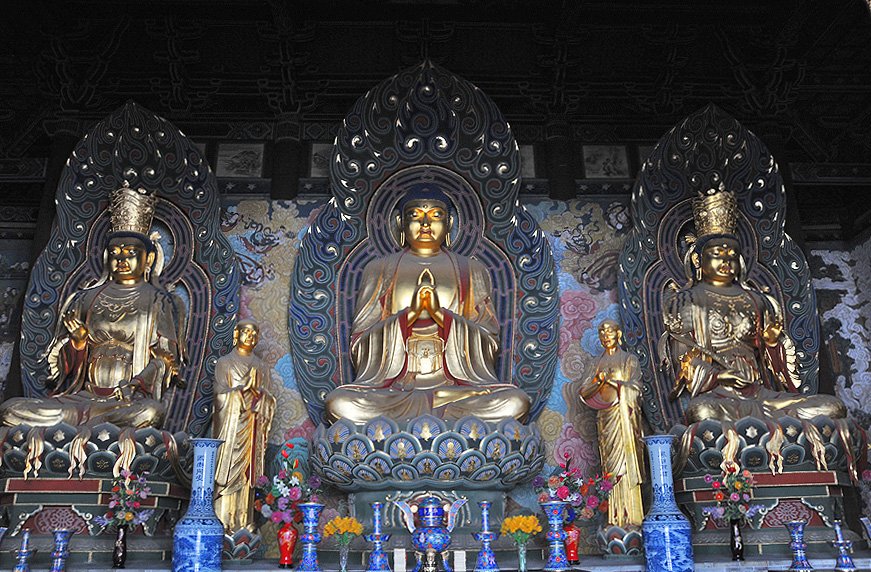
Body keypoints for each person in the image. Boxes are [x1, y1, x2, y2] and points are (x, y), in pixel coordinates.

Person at [324, 186, 530, 424]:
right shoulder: (379, 269)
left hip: (456, 389)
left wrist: (439, 316)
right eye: (415, 215)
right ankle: (440, 420)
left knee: (515, 402)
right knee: (339, 403)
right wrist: (410, 316)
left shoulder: (472, 270)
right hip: (396, 391)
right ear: (400, 223)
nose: (425, 224)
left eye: (435, 215)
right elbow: (360, 342)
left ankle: (422, 418)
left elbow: (490, 340)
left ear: (449, 223)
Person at [0, 184, 186, 429]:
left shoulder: (159, 301)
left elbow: (166, 359)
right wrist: (78, 342)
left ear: (148, 258)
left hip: (127, 401)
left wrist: (136, 384)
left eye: (131, 252)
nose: (121, 259)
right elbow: (59, 369)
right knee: (10, 410)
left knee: (150, 413)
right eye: (115, 252)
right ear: (107, 257)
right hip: (82, 397)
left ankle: (85, 427)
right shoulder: (85, 299)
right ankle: (88, 425)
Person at [660, 187, 845, 424]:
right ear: (698, 259)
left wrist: (772, 344)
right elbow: (685, 360)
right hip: (720, 396)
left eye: (731, 255)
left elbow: (778, 370)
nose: (726, 261)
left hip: (762, 394)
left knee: (831, 407)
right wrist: (719, 377)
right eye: (717, 254)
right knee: (702, 412)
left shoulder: (758, 301)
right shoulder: (686, 301)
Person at [579, 320, 644, 528]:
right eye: (602, 332)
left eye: (610, 332)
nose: (606, 336)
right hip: (605, 418)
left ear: (619, 334)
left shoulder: (628, 360)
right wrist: (599, 381)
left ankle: (632, 518)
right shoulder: (595, 363)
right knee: (610, 467)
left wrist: (612, 383)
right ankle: (614, 518)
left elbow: (636, 388)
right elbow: (583, 392)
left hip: (624, 418)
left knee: (625, 464)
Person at [213, 320, 275, 533]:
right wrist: (239, 392)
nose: (250, 336)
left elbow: (268, 398)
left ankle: (244, 520)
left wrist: (259, 395)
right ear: (236, 334)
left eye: (254, 333)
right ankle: (223, 519)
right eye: (246, 332)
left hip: (251, 427)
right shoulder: (225, 362)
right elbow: (219, 394)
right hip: (230, 428)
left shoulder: (261, 366)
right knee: (228, 470)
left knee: (247, 475)